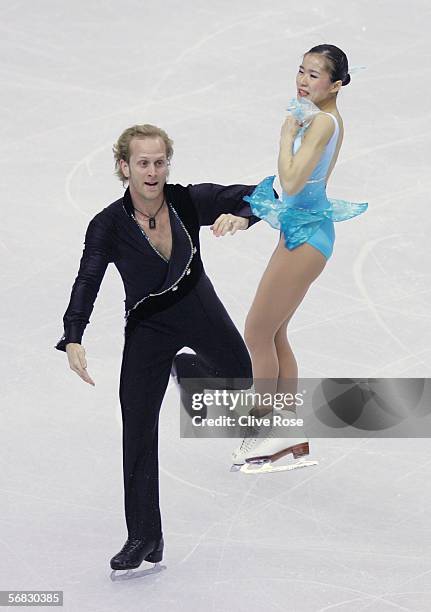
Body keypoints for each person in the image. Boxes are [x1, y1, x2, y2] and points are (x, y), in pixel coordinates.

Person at [54, 123, 261, 572]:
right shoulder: (107, 224)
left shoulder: (188, 200)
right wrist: (74, 334)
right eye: (142, 163)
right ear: (124, 167)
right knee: (137, 426)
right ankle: (144, 536)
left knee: (239, 376)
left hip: (197, 306)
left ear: (168, 164)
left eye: (159, 162)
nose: (152, 172)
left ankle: (184, 368)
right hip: (148, 327)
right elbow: (87, 279)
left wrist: (245, 215)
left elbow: (262, 193)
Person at [229, 44, 368, 473]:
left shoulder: (323, 122)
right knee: (274, 334)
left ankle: (262, 434)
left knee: (256, 332)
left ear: (336, 84)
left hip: (306, 237)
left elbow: (290, 181)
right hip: (305, 231)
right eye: (301, 71)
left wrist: (287, 136)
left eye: (314, 75)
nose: (303, 81)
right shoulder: (321, 116)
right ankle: (286, 433)